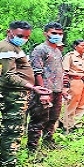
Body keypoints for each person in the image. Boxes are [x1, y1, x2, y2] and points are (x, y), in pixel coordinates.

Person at [0, 21, 50, 167]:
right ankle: (10, 165)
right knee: (13, 129)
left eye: (26, 37)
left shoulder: (14, 47)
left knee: (9, 127)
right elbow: (9, 75)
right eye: (20, 36)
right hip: (13, 94)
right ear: (9, 32)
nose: (23, 39)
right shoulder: (6, 48)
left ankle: (0, 159)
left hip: (19, 93)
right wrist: (32, 87)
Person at [27, 22, 64, 152]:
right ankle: (33, 148)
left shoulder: (57, 50)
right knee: (39, 120)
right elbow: (37, 71)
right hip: (44, 90)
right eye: (54, 33)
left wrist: (62, 89)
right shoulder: (40, 49)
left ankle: (48, 142)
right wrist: (42, 92)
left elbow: (59, 70)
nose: (57, 36)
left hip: (57, 90)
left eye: (60, 34)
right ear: (45, 33)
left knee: (52, 119)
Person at [61, 39, 84, 132]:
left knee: (83, 103)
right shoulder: (70, 56)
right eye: (82, 45)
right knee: (72, 102)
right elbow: (65, 71)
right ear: (75, 46)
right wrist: (78, 75)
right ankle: (67, 125)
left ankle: (77, 123)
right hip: (75, 80)